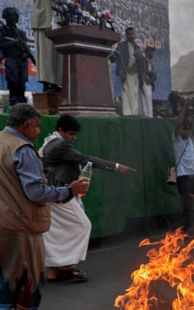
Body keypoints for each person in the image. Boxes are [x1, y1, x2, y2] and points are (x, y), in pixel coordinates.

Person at [0, 104, 89, 310]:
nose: (38, 131)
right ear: (26, 125)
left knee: (4, 269)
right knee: (29, 275)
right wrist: (69, 190)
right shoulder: (23, 150)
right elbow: (35, 192)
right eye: (37, 126)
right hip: (15, 222)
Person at [40, 114, 135, 282]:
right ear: (60, 130)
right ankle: (68, 267)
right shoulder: (61, 145)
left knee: (57, 232)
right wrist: (116, 167)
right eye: (71, 134)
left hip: (55, 192)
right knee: (82, 225)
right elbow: (85, 159)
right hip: (61, 193)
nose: (73, 138)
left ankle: (54, 272)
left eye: (75, 134)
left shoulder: (51, 142)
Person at [174, 98, 194, 232]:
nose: (187, 132)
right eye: (184, 129)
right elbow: (178, 124)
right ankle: (185, 231)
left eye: (188, 130)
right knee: (188, 206)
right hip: (183, 178)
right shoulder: (176, 140)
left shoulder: (191, 140)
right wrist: (185, 107)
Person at [0, 7, 34, 106]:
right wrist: (13, 43)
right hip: (11, 59)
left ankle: (22, 104)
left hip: (22, 61)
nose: (13, 18)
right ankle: (14, 105)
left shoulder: (20, 33)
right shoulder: (2, 30)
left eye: (15, 16)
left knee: (22, 84)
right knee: (13, 84)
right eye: (11, 16)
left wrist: (25, 54)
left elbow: (26, 47)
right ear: (6, 17)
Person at [32, 0, 62, 93]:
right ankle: (46, 84)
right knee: (45, 56)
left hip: (58, 22)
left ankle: (55, 84)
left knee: (57, 57)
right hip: (44, 21)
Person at [112, 27, 142, 116]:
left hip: (135, 72)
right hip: (126, 71)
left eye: (132, 34)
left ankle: (135, 113)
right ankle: (127, 113)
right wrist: (121, 70)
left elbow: (140, 61)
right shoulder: (121, 46)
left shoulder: (137, 47)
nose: (131, 36)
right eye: (129, 34)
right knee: (126, 92)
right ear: (126, 35)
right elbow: (117, 58)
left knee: (135, 92)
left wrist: (138, 63)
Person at [138, 46, 157, 118]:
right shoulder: (143, 60)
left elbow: (152, 75)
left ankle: (149, 117)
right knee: (144, 102)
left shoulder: (150, 63)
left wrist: (152, 76)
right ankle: (145, 117)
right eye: (150, 52)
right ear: (146, 52)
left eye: (152, 52)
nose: (151, 54)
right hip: (144, 83)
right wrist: (146, 79)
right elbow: (141, 72)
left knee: (148, 102)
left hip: (149, 84)